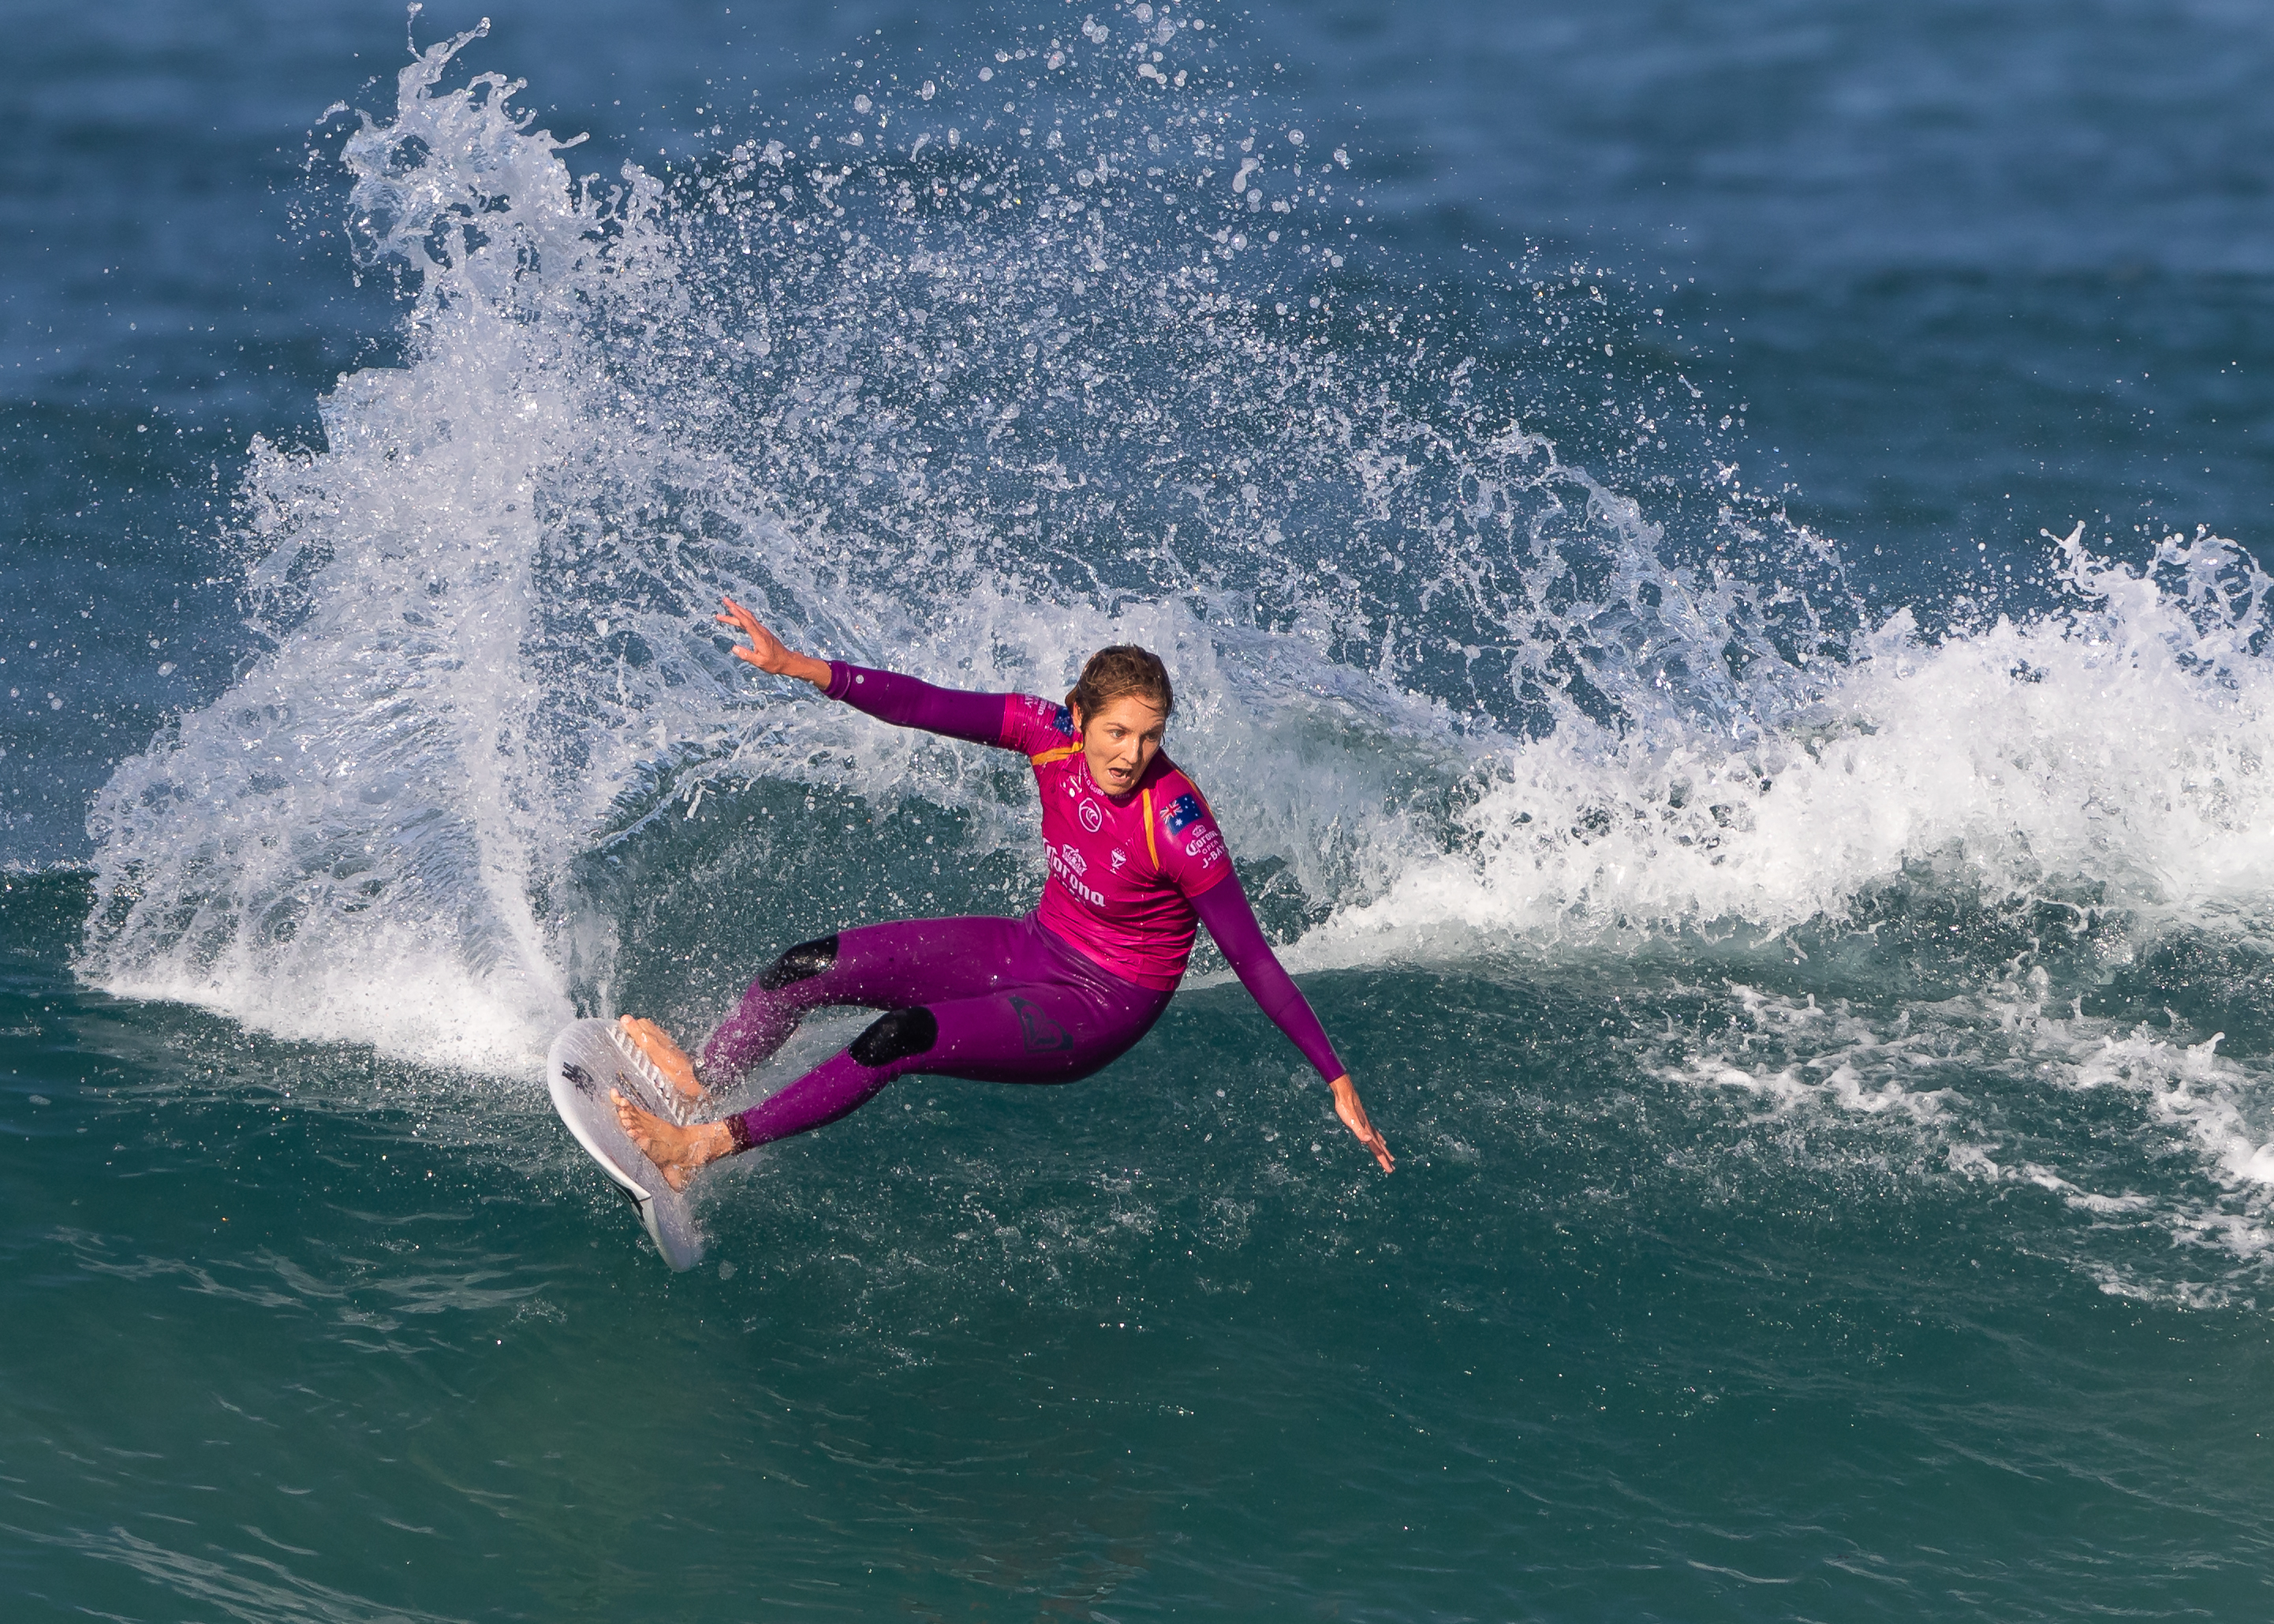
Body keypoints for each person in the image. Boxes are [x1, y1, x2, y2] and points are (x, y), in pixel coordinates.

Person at [610, 595, 1394, 1188]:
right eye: (1117, 732)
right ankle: (702, 1079)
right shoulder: (1044, 733)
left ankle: (703, 1146)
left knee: (898, 1037)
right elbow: (922, 703)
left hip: (1099, 1006)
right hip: (1037, 944)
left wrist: (1334, 1074)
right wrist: (798, 667)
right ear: (1078, 715)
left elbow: (1252, 957)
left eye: (1151, 735)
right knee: (803, 967)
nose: (1133, 754)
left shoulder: (1177, 826)